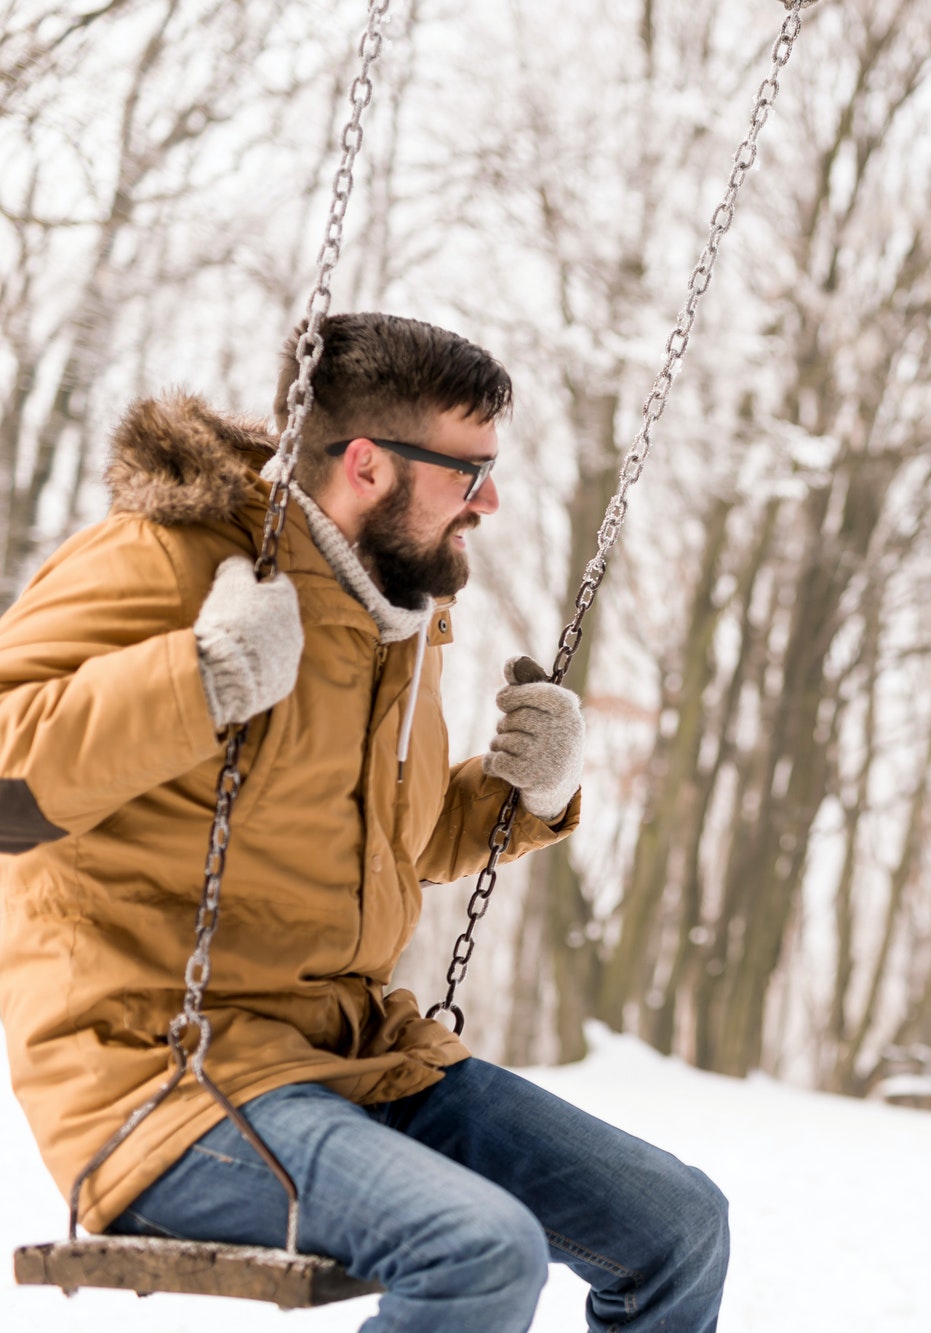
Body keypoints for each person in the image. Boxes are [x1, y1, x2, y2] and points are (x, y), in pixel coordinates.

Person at [0, 313, 728, 1332]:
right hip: (164, 1072)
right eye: (468, 470)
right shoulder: (171, 561)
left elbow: (406, 840)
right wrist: (193, 680)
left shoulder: (396, 609)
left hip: (356, 1054)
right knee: (478, 1252)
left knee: (677, 1225)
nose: (493, 498)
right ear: (369, 464)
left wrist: (528, 795)